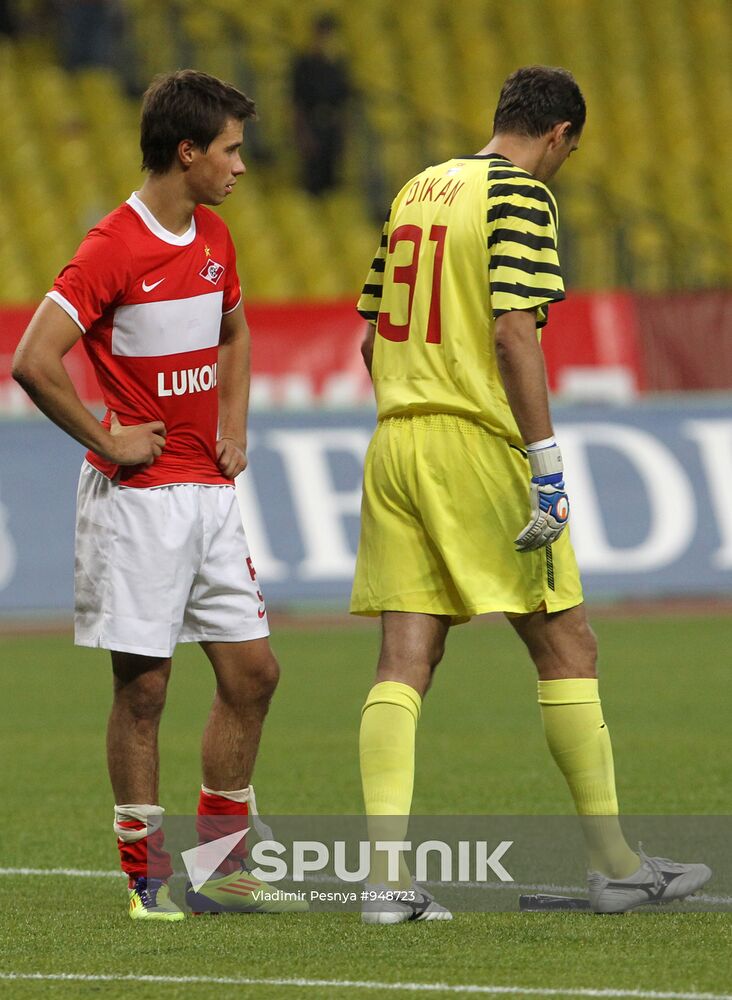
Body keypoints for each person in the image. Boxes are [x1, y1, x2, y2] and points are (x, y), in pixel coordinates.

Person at [351, 65, 711, 923]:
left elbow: (368, 340)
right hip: (477, 445)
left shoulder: (417, 190)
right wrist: (544, 462)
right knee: (568, 644)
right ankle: (616, 866)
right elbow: (515, 331)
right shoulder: (520, 196)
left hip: (395, 441)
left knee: (405, 658)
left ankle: (385, 882)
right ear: (558, 135)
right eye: (569, 152)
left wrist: (418, 406)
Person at [12, 69, 306, 921]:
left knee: (254, 673)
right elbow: (34, 359)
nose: (240, 167)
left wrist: (234, 423)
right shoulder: (112, 246)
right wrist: (107, 440)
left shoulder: (214, 236)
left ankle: (222, 870)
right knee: (144, 690)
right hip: (138, 502)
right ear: (187, 152)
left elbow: (235, 332)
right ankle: (146, 879)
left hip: (209, 494)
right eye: (230, 150)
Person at [291, 13, 351, 195]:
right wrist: (303, 134)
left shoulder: (338, 66)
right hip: (312, 125)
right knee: (312, 180)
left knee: (333, 182)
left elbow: (344, 105)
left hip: (332, 128)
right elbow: (297, 103)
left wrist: (343, 135)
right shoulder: (304, 64)